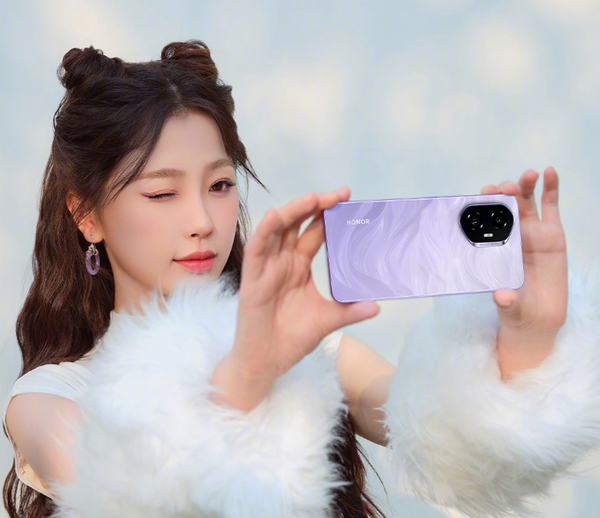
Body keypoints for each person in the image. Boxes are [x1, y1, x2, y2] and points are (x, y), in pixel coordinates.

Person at [2, 39, 600, 518]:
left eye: (220, 185)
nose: (203, 221)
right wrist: (249, 372)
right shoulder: (48, 398)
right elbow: (140, 495)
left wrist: (532, 339)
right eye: (162, 193)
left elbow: (458, 445)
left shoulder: (316, 357)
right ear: (86, 215)